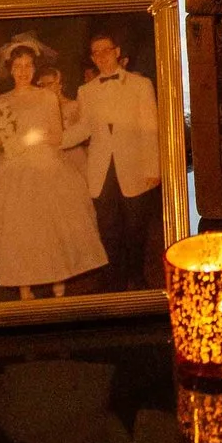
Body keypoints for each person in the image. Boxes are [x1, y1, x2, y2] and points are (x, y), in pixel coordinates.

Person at [0, 37, 109, 299]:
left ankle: (58, 285)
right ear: (10, 70)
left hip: (47, 163)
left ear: (34, 68)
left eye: (28, 66)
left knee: (50, 228)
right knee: (21, 229)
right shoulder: (3, 101)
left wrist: (32, 139)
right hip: (14, 168)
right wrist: (8, 146)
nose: (23, 71)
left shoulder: (46, 97)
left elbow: (55, 134)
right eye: (18, 66)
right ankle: (25, 288)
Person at [75, 29, 164, 289]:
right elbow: (83, 129)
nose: (102, 56)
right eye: (96, 52)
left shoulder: (141, 85)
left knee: (136, 228)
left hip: (135, 168)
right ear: (92, 58)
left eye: (106, 50)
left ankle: (136, 277)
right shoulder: (86, 91)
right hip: (101, 171)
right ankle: (113, 281)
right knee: (108, 229)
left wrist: (153, 167)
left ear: (117, 51)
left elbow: (150, 129)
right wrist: (51, 139)